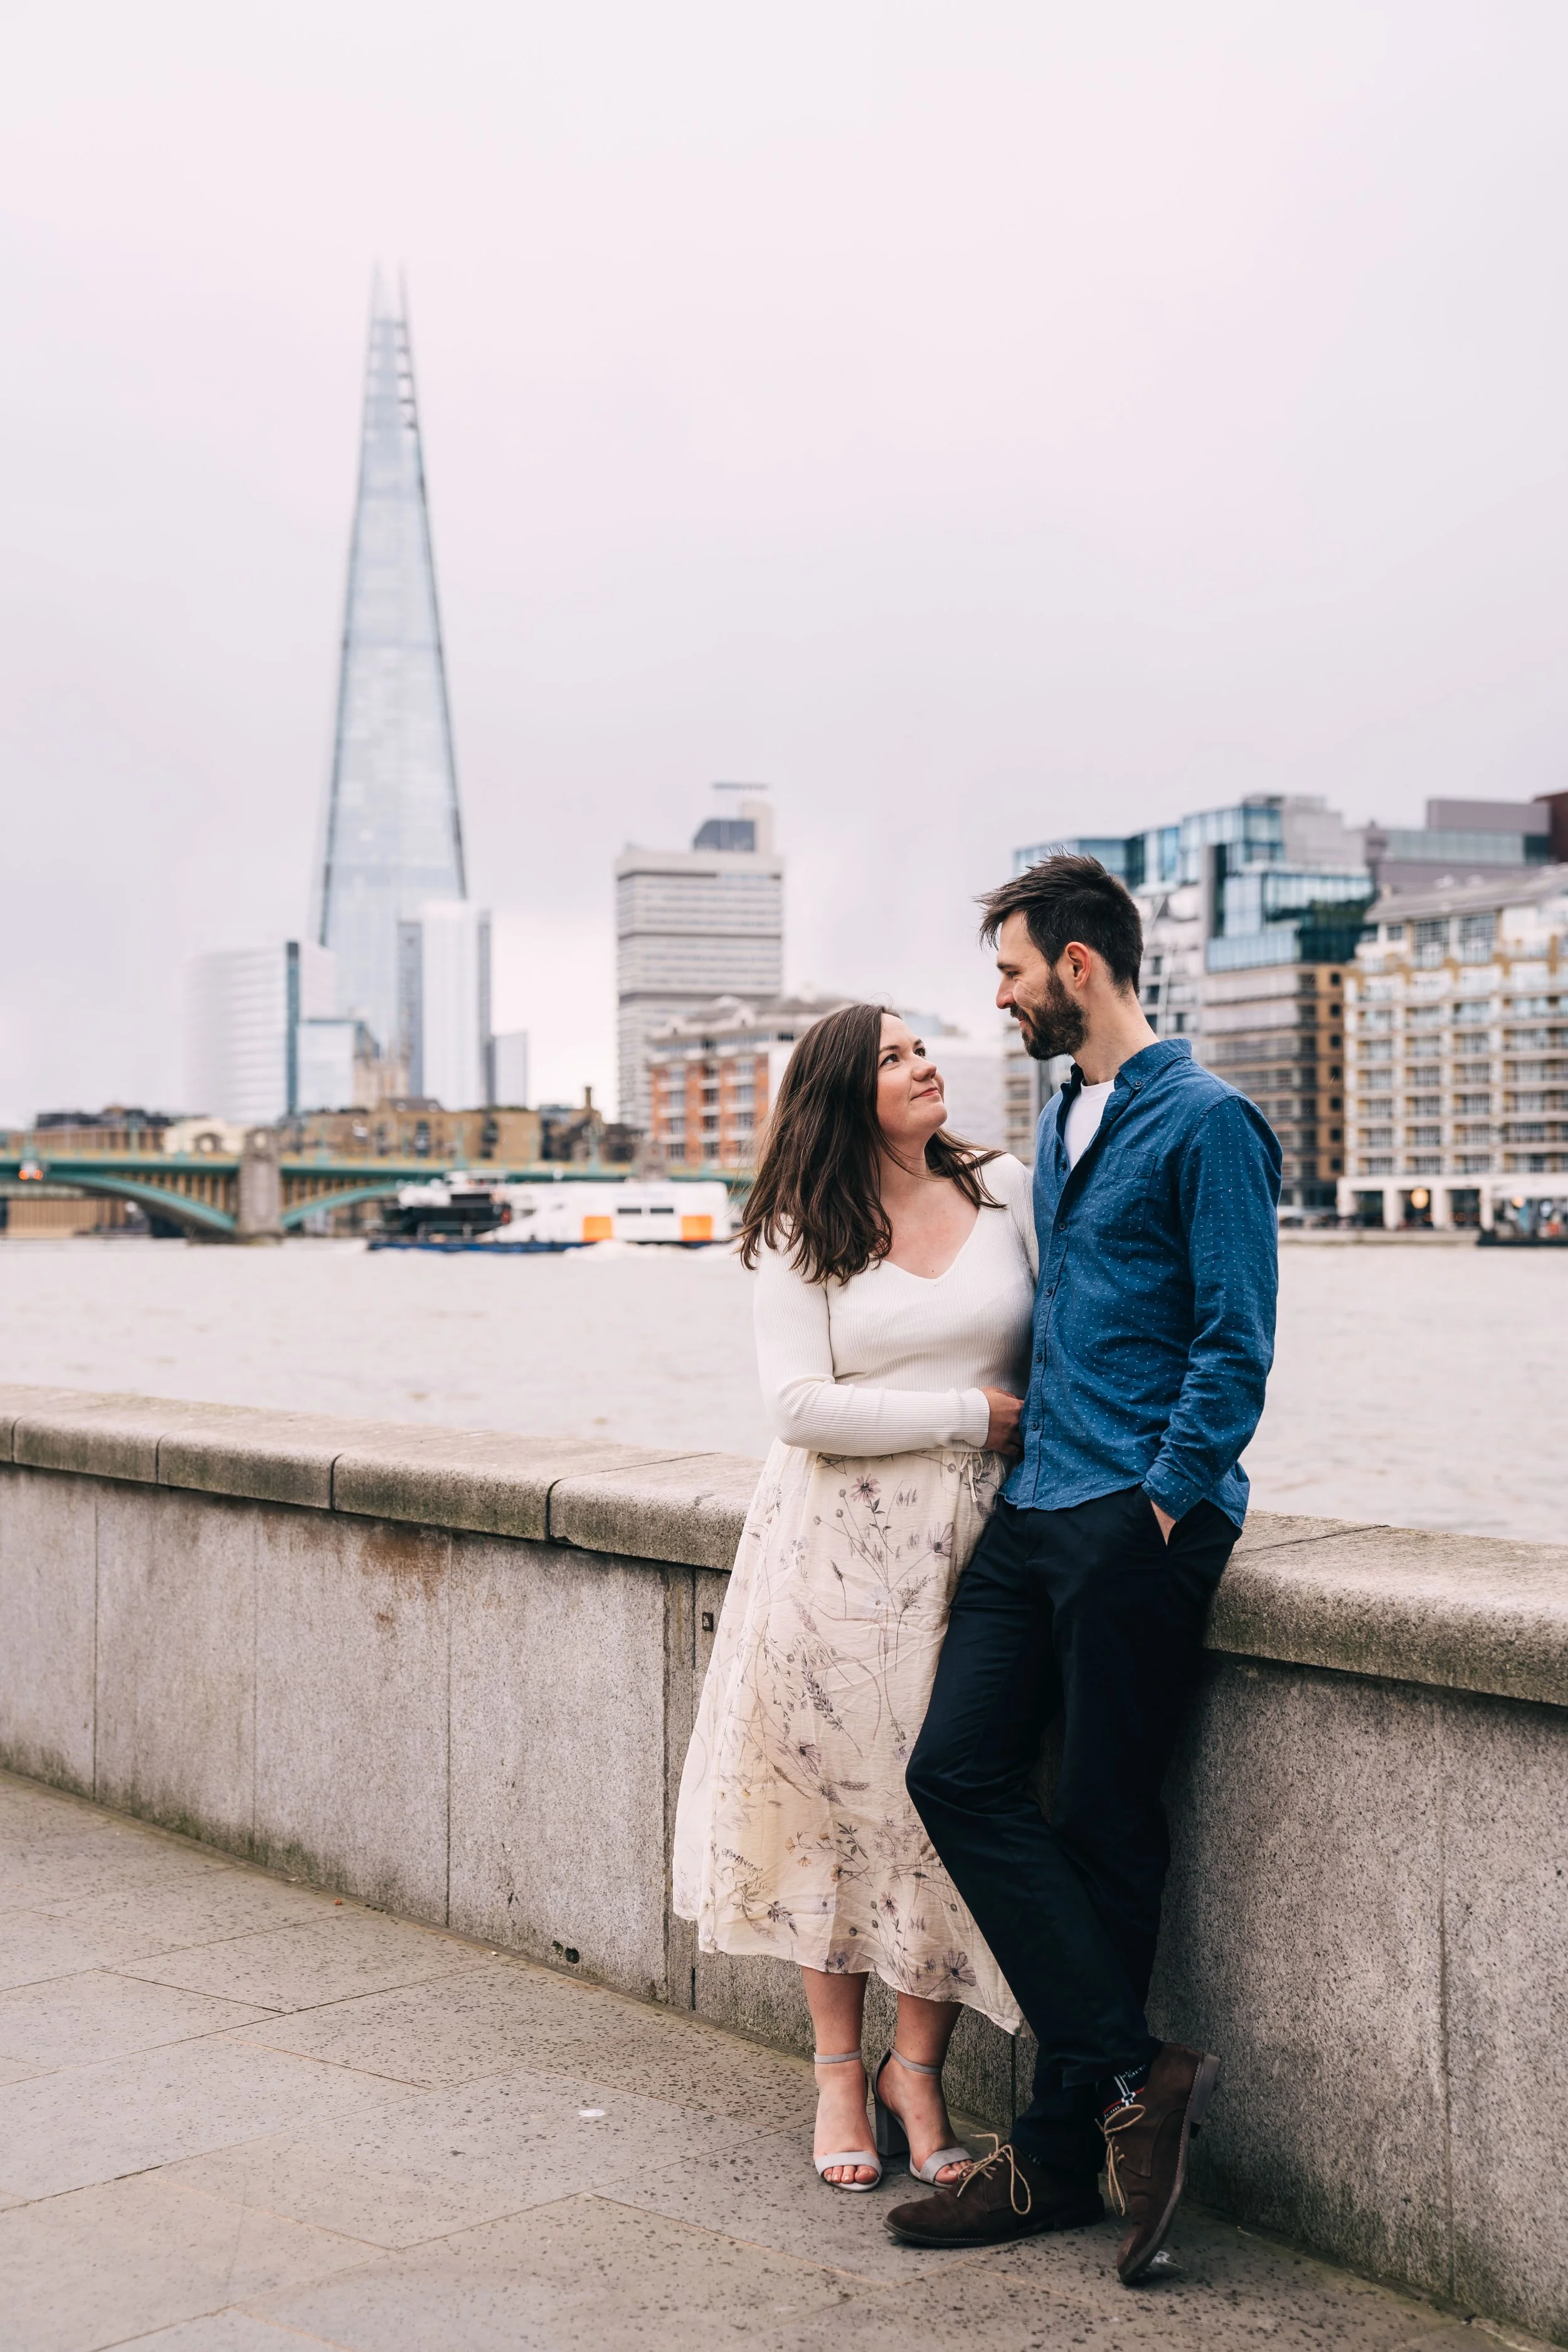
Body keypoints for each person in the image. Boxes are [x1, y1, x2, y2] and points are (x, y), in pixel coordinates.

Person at [889, 854, 1281, 2284]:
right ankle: (1130, 2073)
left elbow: (1235, 1339)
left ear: (1076, 964)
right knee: (954, 1771)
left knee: (1108, 1822)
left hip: (1131, 1522)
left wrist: (1162, 1502)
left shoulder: (1210, 1121)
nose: (998, 998)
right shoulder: (1060, 1119)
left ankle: (1055, 2158)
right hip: (1036, 1504)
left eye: (1009, 971)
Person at [673, 1001, 1037, 2192]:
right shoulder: (802, 1224)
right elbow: (797, 1405)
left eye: (921, 1046)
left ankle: (914, 2072)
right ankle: (839, 2069)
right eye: (893, 1057)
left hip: (981, 1550)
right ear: (843, 1092)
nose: (925, 1065)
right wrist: (967, 1415)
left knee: (946, 1812)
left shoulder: (1004, 1188)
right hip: (831, 1556)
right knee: (829, 1810)